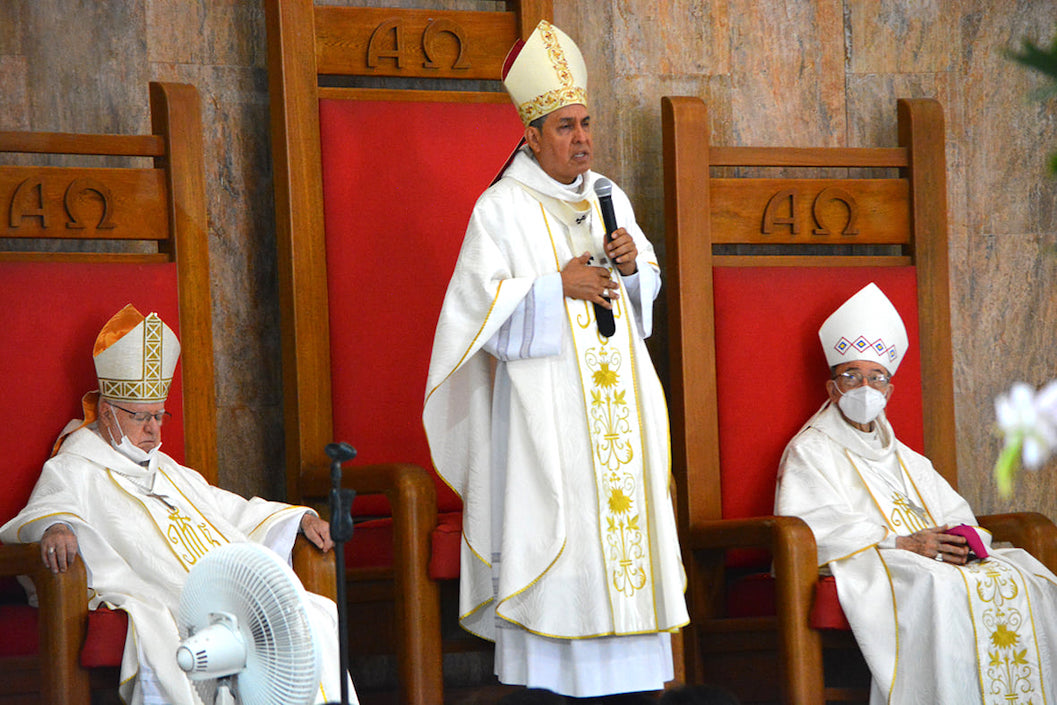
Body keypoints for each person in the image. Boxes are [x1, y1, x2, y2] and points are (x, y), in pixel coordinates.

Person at [423, 20, 687, 700]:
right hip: (545, 418)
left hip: (618, 420)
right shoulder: (499, 210)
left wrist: (634, 271)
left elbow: (643, 299)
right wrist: (551, 287)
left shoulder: (609, 196)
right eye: (565, 126)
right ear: (531, 134)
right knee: (558, 531)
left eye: (586, 123)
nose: (582, 139)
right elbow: (472, 319)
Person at [0, 304, 356, 705]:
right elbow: (45, 510)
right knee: (181, 633)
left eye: (160, 415)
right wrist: (57, 527)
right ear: (106, 413)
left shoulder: (169, 470)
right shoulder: (74, 467)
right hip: (166, 600)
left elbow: (230, 510)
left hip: (222, 595)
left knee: (315, 612)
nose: (154, 429)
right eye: (141, 417)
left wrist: (297, 517)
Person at [775, 283, 1057, 705]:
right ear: (832, 387)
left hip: (927, 558)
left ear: (889, 390)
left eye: (876, 378)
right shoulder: (810, 449)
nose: (864, 388)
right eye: (851, 375)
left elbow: (957, 514)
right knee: (934, 585)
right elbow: (811, 528)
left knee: (1026, 578)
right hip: (869, 562)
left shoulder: (907, 458)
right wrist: (902, 542)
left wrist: (962, 542)